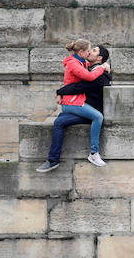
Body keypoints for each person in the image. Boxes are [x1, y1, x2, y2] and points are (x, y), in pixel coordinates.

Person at [36, 40, 110, 172]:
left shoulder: (100, 75)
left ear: (99, 58)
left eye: (93, 50)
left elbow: (78, 87)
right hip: (82, 109)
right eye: (89, 49)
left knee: (97, 117)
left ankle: (94, 153)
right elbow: (76, 83)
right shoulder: (86, 65)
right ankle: (53, 160)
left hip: (91, 113)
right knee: (59, 122)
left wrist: (60, 91)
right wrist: (60, 92)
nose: (90, 51)